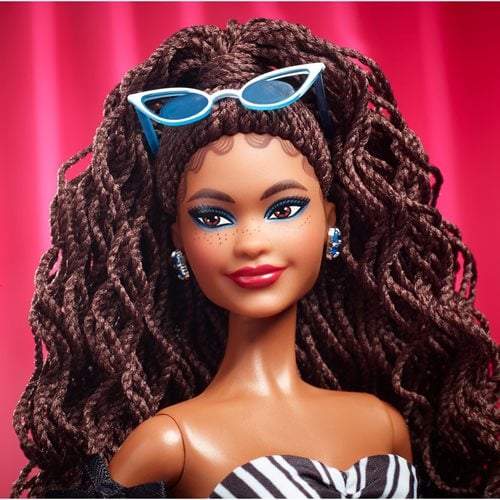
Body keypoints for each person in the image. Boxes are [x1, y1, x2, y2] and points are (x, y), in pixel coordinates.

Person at [12, 18, 499, 498]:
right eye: (213, 217)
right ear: (179, 242)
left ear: (330, 222)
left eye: (284, 209)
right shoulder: (172, 445)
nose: (250, 242)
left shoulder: (384, 425)